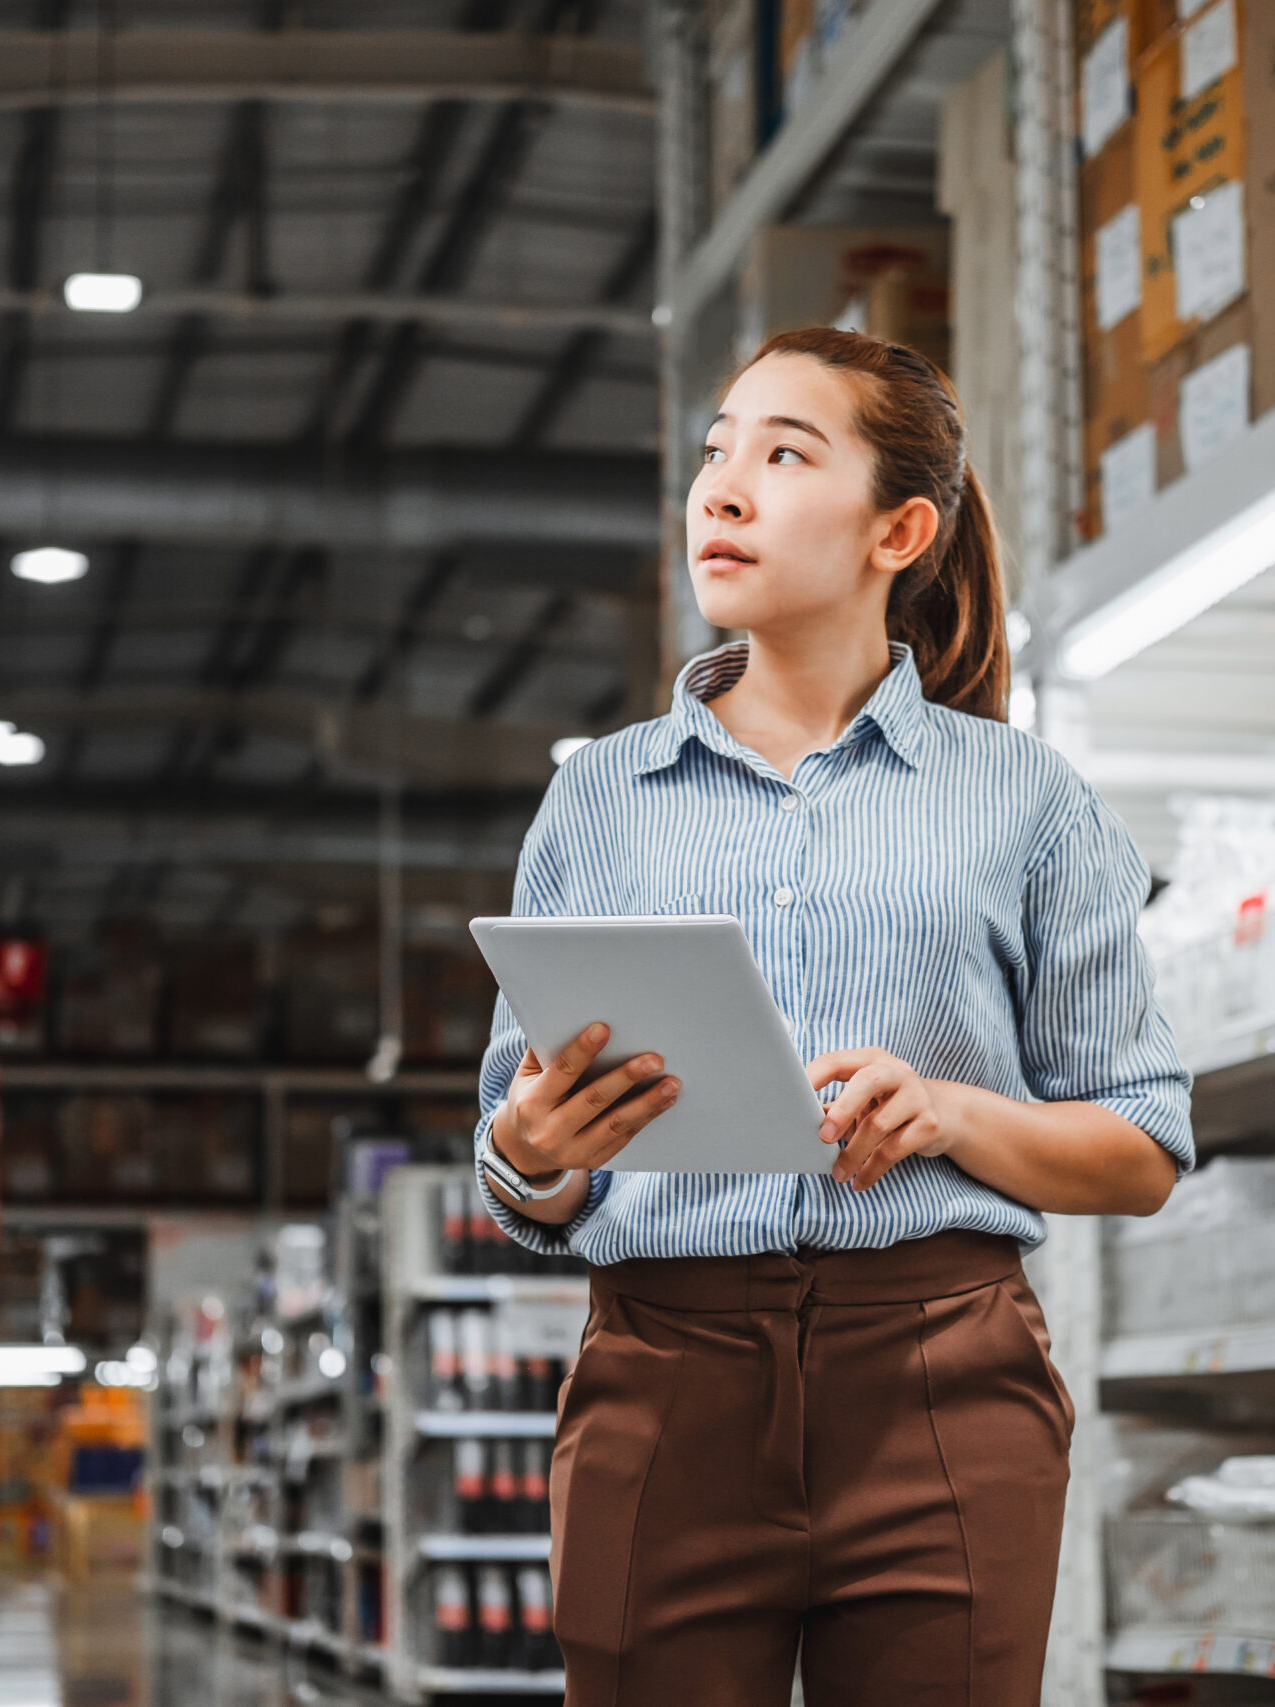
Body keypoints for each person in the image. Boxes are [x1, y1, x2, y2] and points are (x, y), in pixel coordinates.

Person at [470, 327, 1192, 1706]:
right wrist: (536, 1142)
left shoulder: (1026, 803)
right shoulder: (599, 801)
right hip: (665, 1380)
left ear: (898, 529)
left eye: (784, 454)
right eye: (715, 453)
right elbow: (520, 1182)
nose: (723, 490)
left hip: (940, 1380)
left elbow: (1145, 1150)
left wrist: (955, 1113)